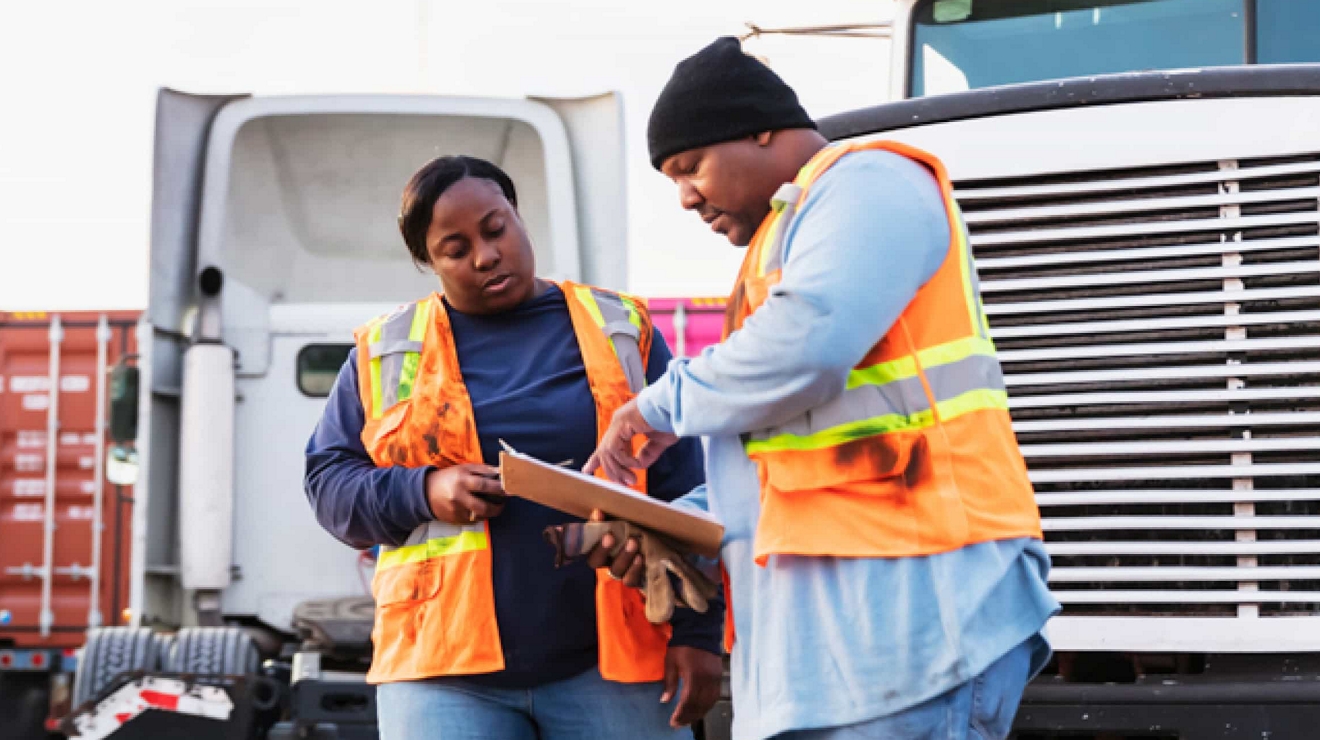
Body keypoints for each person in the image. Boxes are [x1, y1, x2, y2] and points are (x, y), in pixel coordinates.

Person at [585, 38, 1060, 740]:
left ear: (760, 128)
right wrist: (673, 526)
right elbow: (782, 463)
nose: (685, 198)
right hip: (840, 665)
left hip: (918, 633)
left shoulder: (869, 182)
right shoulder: (784, 248)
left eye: (691, 167)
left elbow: (809, 346)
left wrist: (653, 408)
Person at [304, 155, 723, 740]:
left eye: (495, 229)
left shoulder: (621, 328)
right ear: (429, 263)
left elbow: (688, 492)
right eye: (455, 248)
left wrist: (698, 637)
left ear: (518, 217)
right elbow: (328, 485)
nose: (485, 255)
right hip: (442, 671)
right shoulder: (385, 352)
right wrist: (425, 489)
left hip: (613, 664)